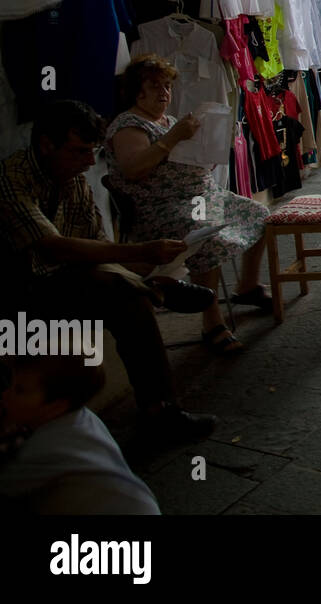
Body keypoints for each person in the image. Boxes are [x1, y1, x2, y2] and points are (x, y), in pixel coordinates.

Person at [0, 100, 215, 444]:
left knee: (125, 297)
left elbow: (95, 243)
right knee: (110, 285)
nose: (89, 162)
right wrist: (140, 251)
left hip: (65, 280)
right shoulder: (12, 180)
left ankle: (158, 408)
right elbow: (53, 247)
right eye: (80, 151)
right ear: (45, 145)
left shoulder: (73, 181)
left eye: (93, 151)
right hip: (18, 290)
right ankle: (155, 291)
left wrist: (131, 264)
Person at [105, 55, 273, 355]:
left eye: (167, 86)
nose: (164, 93)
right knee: (205, 233)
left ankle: (247, 286)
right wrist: (173, 139)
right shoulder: (128, 125)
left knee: (259, 213)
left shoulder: (168, 121)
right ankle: (212, 323)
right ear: (136, 91)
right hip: (161, 208)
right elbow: (133, 169)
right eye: (155, 86)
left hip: (200, 197)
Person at [0, 354, 161, 514]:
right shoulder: (84, 417)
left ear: (57, 406)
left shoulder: (42, 450)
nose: (5, 395)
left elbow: (7, 484)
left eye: (19, 390)